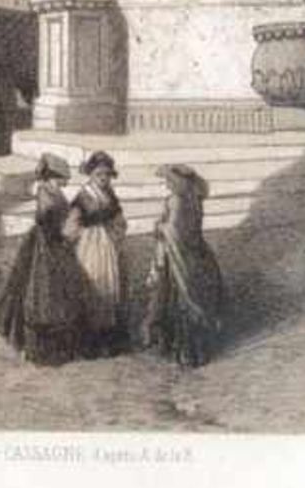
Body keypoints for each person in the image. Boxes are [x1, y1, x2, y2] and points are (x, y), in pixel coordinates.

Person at [0, 154, 86, 365]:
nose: (66, 181)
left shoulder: (53, 191)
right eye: (64, 177)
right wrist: (66, 230)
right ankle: (37, 349)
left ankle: (53, 347)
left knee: (57, 295)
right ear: (55, 176)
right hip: (46, 248)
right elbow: (48, 223)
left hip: (53, 243)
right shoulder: (47, 194)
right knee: (41, 294)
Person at [143, 164, 225, 368]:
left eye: (170, 181)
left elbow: (175, 230)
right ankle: (194, 351)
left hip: (180, 257)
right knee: (189, 299)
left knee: (182, 300)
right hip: (196, 254)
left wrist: (160, 226)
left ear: (179, 182)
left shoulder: (177, 200)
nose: (167, 185)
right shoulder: (195, 199)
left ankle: (185, 353)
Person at [69, 152, 130, 357]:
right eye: (99, 174)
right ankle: (88, 342)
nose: (103, 178)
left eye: (107, 174)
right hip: (89, 244)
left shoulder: (110, 193)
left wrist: (117, 230)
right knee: (92, 285)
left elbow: (119, 217)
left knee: (109, 286)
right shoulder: (83, 196)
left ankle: (108, 338)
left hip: (107, 243)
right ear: (91, 175)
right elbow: (71, 224)